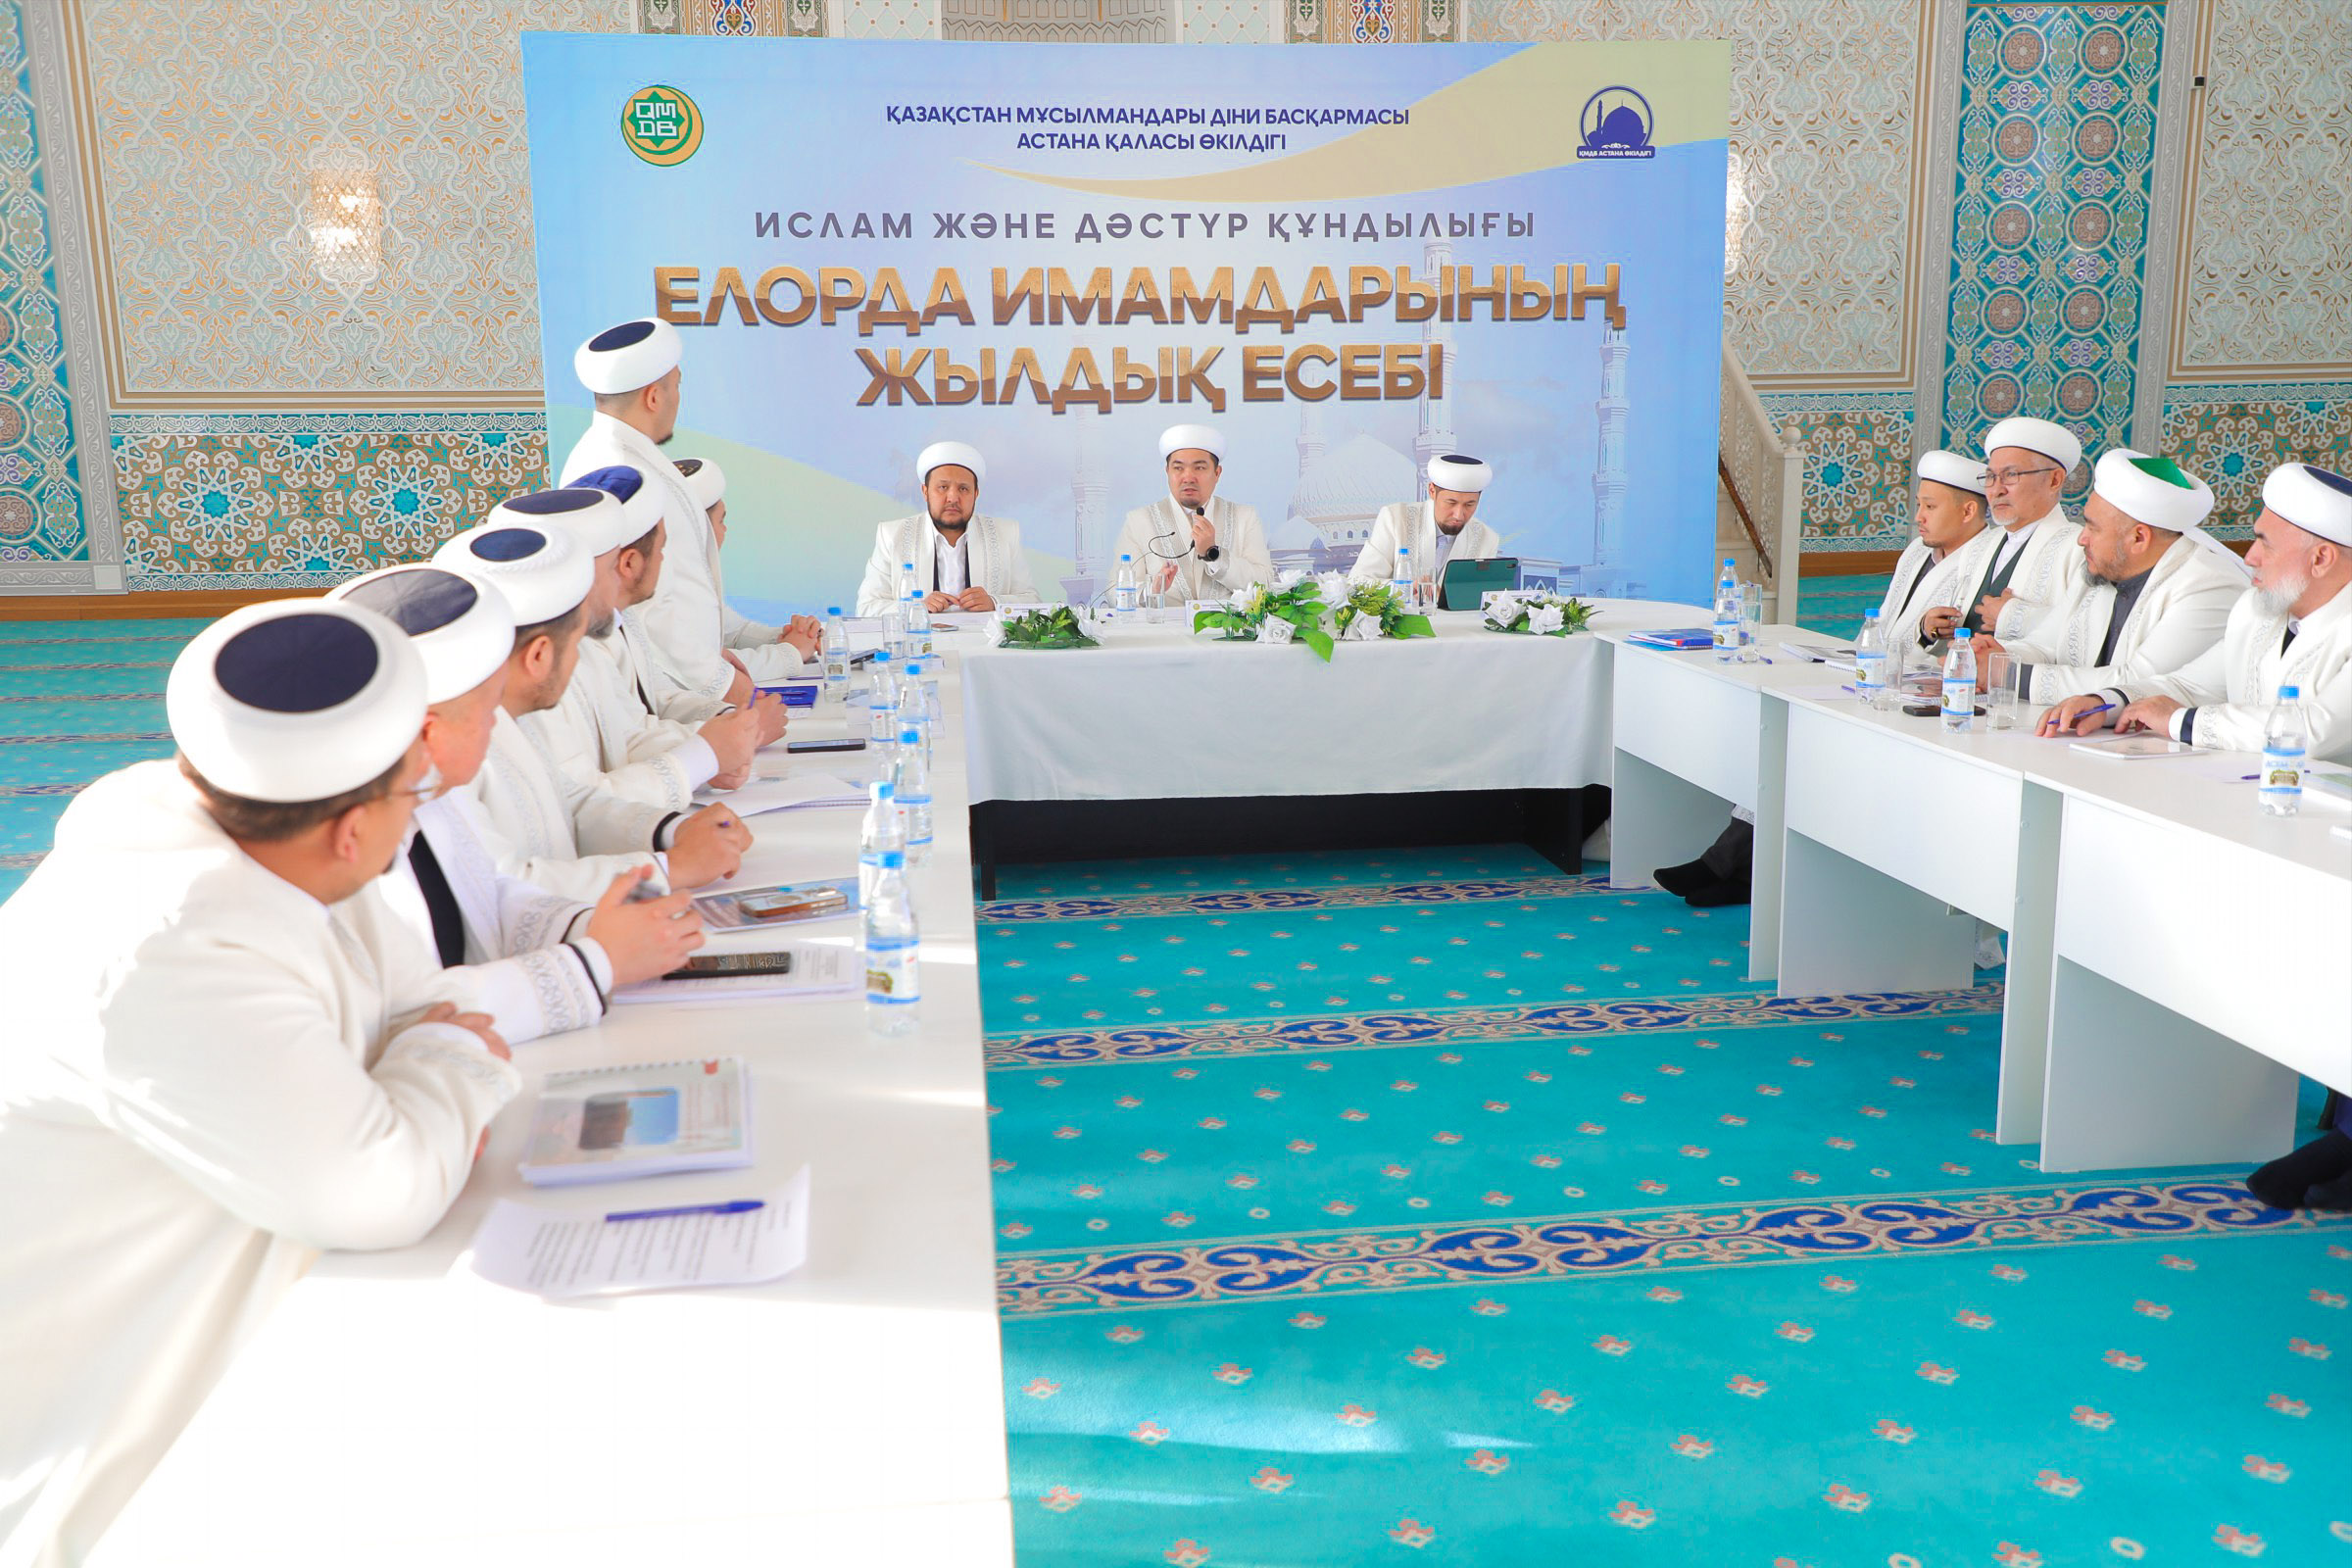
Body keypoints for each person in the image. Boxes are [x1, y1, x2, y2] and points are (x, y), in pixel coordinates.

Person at [0, 600, 519, 1564]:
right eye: (414, 796)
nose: (423, 808)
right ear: (353, 831)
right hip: (119, 1465)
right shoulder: (168, 945)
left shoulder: (273, 840)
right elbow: (378, 1187)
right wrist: (449, 1066)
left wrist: (426, 1070)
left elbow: (424, 1001)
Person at [328, 563, 706, 1031]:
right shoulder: (349, 847)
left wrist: (595, 927)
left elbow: (491, 897)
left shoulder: (431, 793)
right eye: (489, 711)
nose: (496, 726)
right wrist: (596, 961)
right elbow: (410, 1010)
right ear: (430, 733)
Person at [433, 518, 752, 902]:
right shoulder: (452, 749)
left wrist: (672, 831)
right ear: (539, 656)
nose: (579, 660)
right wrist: (669, 870)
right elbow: (503, 888)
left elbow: (574, 805)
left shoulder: (504, 717)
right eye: (575, 645)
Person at [2042, 462, 2352, 760]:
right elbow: (2189, 686)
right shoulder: (2256, 611)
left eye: (2265, 544)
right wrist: (2105, 703)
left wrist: (2180, 721)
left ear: (2321, 559)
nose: (2250, 558)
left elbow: (2314, 732)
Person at [517, 476, 776, 810]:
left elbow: (630, 731)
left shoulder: (593, 635)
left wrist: (724, 738)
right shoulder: (547, 664)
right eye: (608, 569)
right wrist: (705, 755)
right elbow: (580, 804)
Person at [559, 317, 737, 719]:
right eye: (677, 385)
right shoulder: (619, 468)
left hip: (683, 682)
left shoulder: (628, 453)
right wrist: (719, 681)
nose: (678, 398)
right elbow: (643, 605)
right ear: (654, 396)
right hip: (661, 691)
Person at [1984, 450, 2245, 707]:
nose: (2081, 538)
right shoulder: (2101, 570)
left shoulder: (2209, 586)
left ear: (2138, 538)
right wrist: (1992, 656)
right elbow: (2045, 646)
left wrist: (2009, 675)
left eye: (2093, 527)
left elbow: (2137, 683)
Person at [674, 455, 824, 681]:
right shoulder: (655, 588)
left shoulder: (692, 575)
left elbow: (734, 632)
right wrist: (790, 653)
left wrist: (795, 637)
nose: (725, 531)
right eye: (721, 521)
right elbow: (699, 670)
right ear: (700, 530)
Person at [856, 441, 1038, 615]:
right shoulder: (892, 535)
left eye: (963, 489)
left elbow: (1033, 602)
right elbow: (866, 607)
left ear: (976, 493)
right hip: (921, 637)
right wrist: (916, 607)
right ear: (925, 491)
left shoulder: (1006, 533)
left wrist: (995, 602)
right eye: (942, 487)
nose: (952, 498)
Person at [1114, 423, 1273, 603]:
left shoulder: (1244, 517)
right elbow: (1116, 593)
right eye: (1178, 468)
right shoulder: (1139, 521)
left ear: (1217, 473)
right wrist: (1151, 591)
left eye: (1199, 468)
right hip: (1164, 622)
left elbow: (1264, 586)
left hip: (1229, 622)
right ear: (1167, 471)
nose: (1188, 477)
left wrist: (1214, 555)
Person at [1961, 416, 2085, 641]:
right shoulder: (1978, 546)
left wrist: (2014, 617)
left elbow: (2089, 632)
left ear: (2054, 480)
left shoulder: (2079, 548)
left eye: (2011, 475)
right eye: (1990, 477)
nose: (1996, 490)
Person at [1883, 450, 2000, 656]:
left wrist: (1927, 632)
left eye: (1930, 506)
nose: (1919, 517)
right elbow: (1885, 619)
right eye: (1919, 505)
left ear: (1968, 511)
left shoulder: (1991, 561)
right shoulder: (1917, 549)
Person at [1348, 454, 1506, 591]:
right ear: (1431, 491)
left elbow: (1482, 596)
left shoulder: (1488, 538)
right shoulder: (1395, 519)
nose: (1458, 515)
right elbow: (1357, 581)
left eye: (1469, 505)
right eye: (1451, 503)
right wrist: (1405, 589)